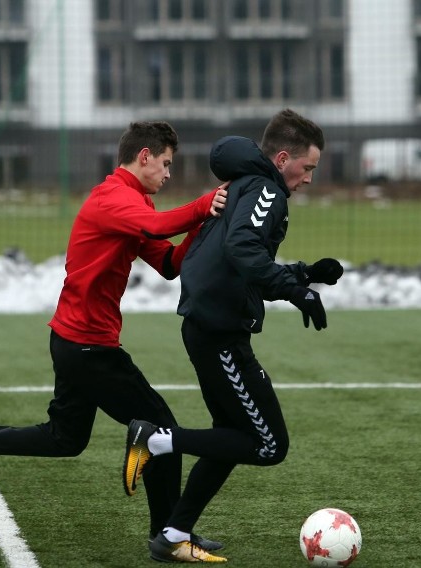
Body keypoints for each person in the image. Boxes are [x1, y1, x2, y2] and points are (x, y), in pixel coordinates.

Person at [0, 121, 228, 556]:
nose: (167, 174)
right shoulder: (113, 199)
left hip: (74, 343)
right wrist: (205, 203)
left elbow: (169, 262)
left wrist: (206, 223)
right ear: (144, 157)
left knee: (63, 439)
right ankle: (168, 536)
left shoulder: (131, 202)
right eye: (165, 164)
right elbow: (159, 228)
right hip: (88, 348)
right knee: (162, 431)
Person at [122, 109, 344, 563]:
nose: (307, 180)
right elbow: (242, 248)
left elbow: (242, 261)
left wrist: (304, 273)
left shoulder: (248, 185)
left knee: (231, 435)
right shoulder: (265, 189)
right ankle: (157, 440)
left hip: (210, 325)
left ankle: (172, 533)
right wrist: (295, 290)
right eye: (307, 169)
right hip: (218, 333)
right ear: (283, 158)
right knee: (267, 444)